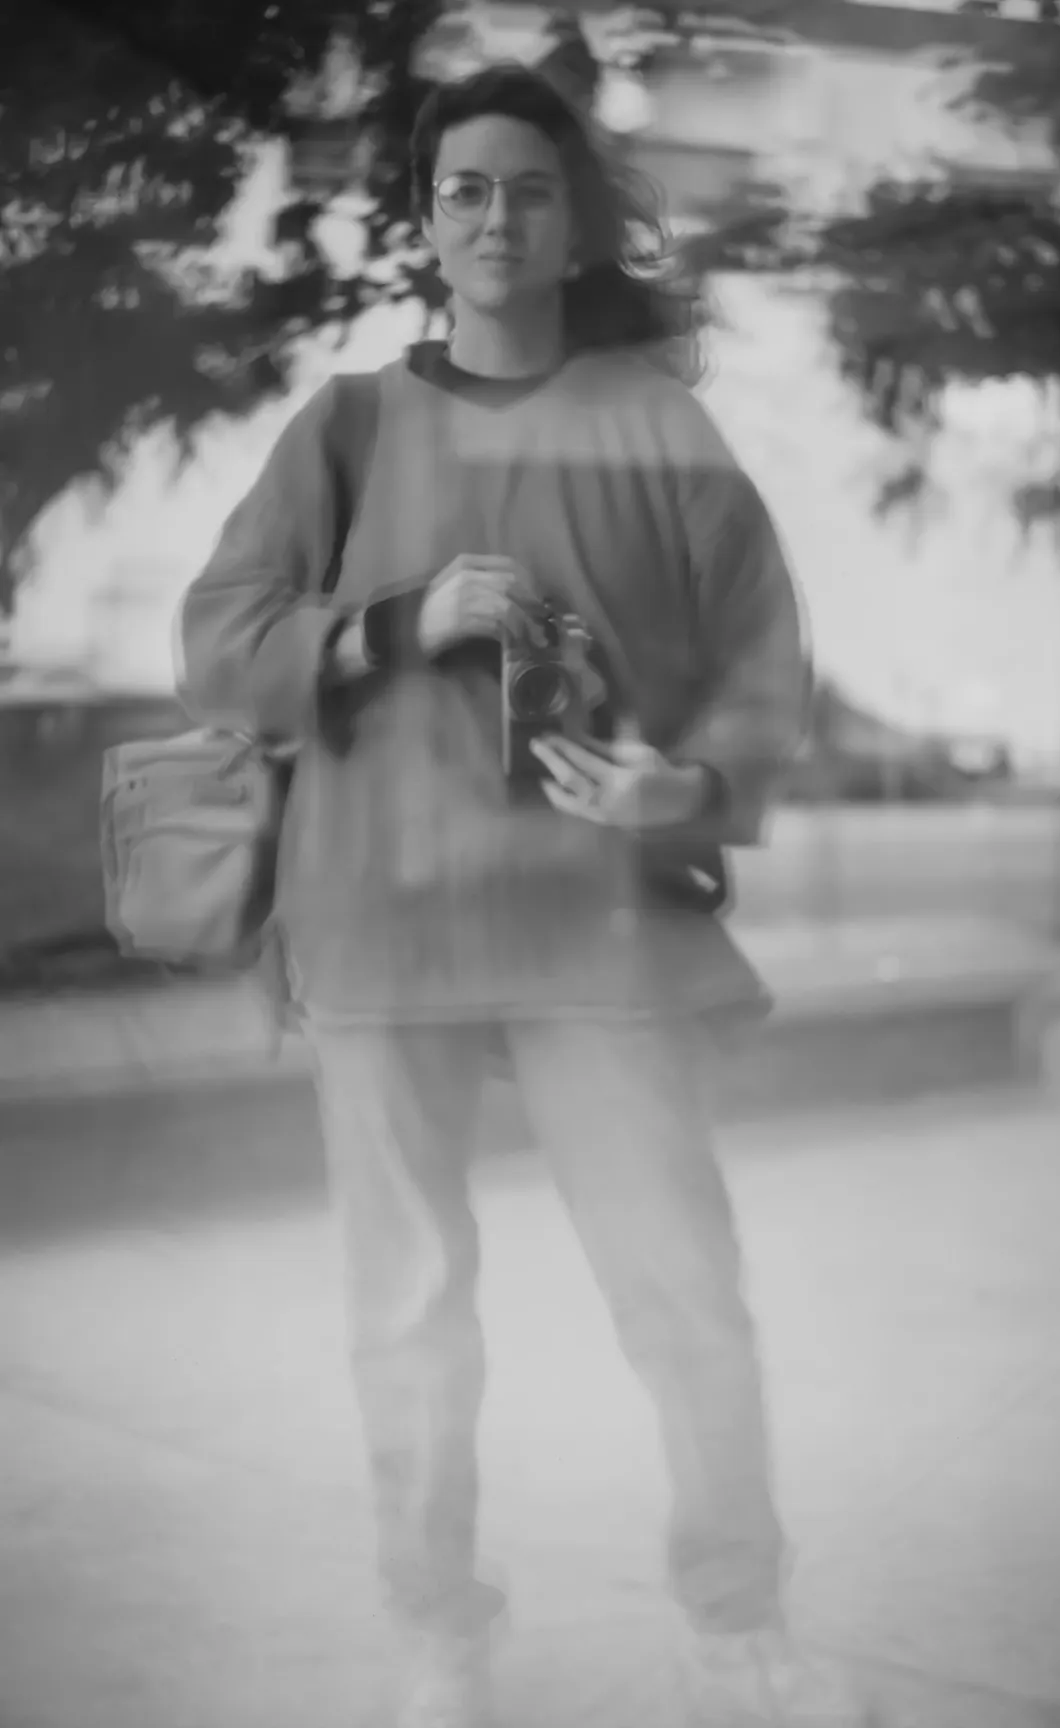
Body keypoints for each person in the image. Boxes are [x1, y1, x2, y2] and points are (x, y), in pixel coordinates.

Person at [177, 62, 861, 1728]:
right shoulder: (345, 425)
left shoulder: (655, 423)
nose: (496, 216)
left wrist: (682, 785)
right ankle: (439, 1632)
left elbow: (768, 670)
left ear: (573, 227)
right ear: (428, 224)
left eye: (529, 191)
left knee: (681, 1292)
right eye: (465, 190)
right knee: (408, 1314)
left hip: (595, 929)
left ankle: (736, 1625)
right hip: (379, 926)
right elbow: (215, 639)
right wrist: (387, 624)